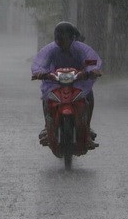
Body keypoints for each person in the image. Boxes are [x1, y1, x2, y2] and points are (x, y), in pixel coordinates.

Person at [31, 21, 103, 149]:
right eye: (58, 38)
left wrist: (91, 70)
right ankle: (47, 126)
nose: (60, 42)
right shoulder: (51, 49)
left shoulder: (80, 48)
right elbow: (40, 61)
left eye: (63, 38)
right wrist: (39, 72)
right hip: (55, 81)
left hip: (79, 81)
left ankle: (87, 126)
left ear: (71, 38)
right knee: (47, 98)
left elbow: (91, 60)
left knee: (89, 95)